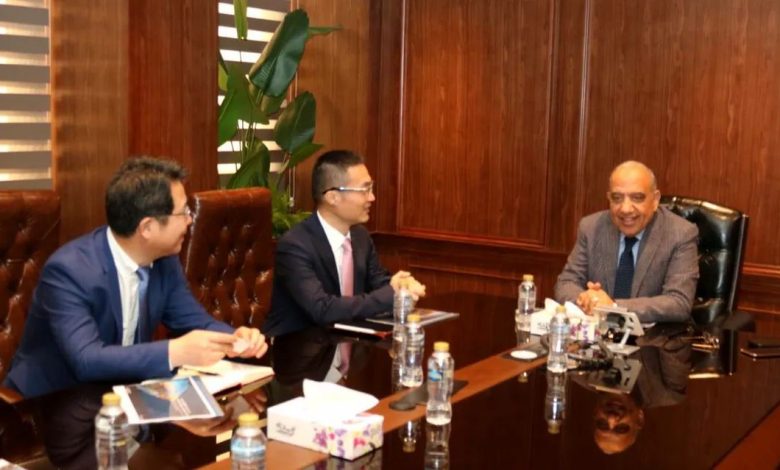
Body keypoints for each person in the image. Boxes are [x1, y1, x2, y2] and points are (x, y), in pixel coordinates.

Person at [4, 157, 268, 398]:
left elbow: (193, 321)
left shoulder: (164, 259)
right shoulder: (69, 271)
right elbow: (85, 359)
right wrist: (174, 352)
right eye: (184, 213)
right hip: (47, 403)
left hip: (117, 395)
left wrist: (235, 339)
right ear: (147, 227)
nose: (190, 221)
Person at [263, 150, 426, 340]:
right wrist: (391, 294)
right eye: (364, 190)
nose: (372, 198)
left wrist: (402, 287)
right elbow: (322, 309)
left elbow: (379, 284)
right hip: (301, 350)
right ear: (333, 197)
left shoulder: (360, 237)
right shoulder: (295, 245)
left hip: (349, 343)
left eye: (371, 188)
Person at [555, 161, 699, 322]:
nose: (625, 209)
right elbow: (566, 282)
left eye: (637, 198)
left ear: (655, 200)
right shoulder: (591, 227)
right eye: (617, 198)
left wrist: (613, 307)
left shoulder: (680, 234)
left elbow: (679, 302)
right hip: (597, 332)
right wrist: (587, 300)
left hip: (651, 335)